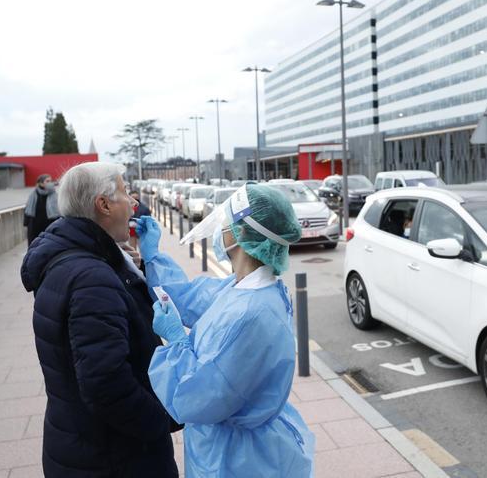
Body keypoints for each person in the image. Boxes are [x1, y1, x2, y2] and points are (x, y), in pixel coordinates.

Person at [139, 182, 314, 477]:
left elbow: (195, 397)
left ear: (242, 234)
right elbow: (190, 297)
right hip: (243, 449)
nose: (222, 229)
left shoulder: (251, 316)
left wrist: (178, 341)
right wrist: (153, 256)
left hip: (238, 461)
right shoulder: (244, 287)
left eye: (227, 222)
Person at [20, 162, 179, 478]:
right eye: (123, 191)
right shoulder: (92, 277)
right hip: (115, 457)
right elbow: (105, 384)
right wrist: (164, 420)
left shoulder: (72, 260)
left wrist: (125, 268)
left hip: (80, 441)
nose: (133, 201)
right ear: (103, 205)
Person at [24, 174, 60, 245]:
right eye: (47, 181)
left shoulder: (54, 194)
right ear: (40, 183)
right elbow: (27, 209)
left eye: (50, 181)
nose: (50, 183)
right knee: (34, 245)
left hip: (50, 224)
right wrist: (26, 222)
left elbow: (59, 210)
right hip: (35, 226)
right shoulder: (33, 195)